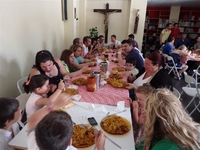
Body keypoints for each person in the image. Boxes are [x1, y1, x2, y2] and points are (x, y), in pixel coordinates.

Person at [136, 88, 200, 150]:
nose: (144, 113)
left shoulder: (164, 147)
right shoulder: (194, 128)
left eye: (146, 112)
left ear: (153, 120)